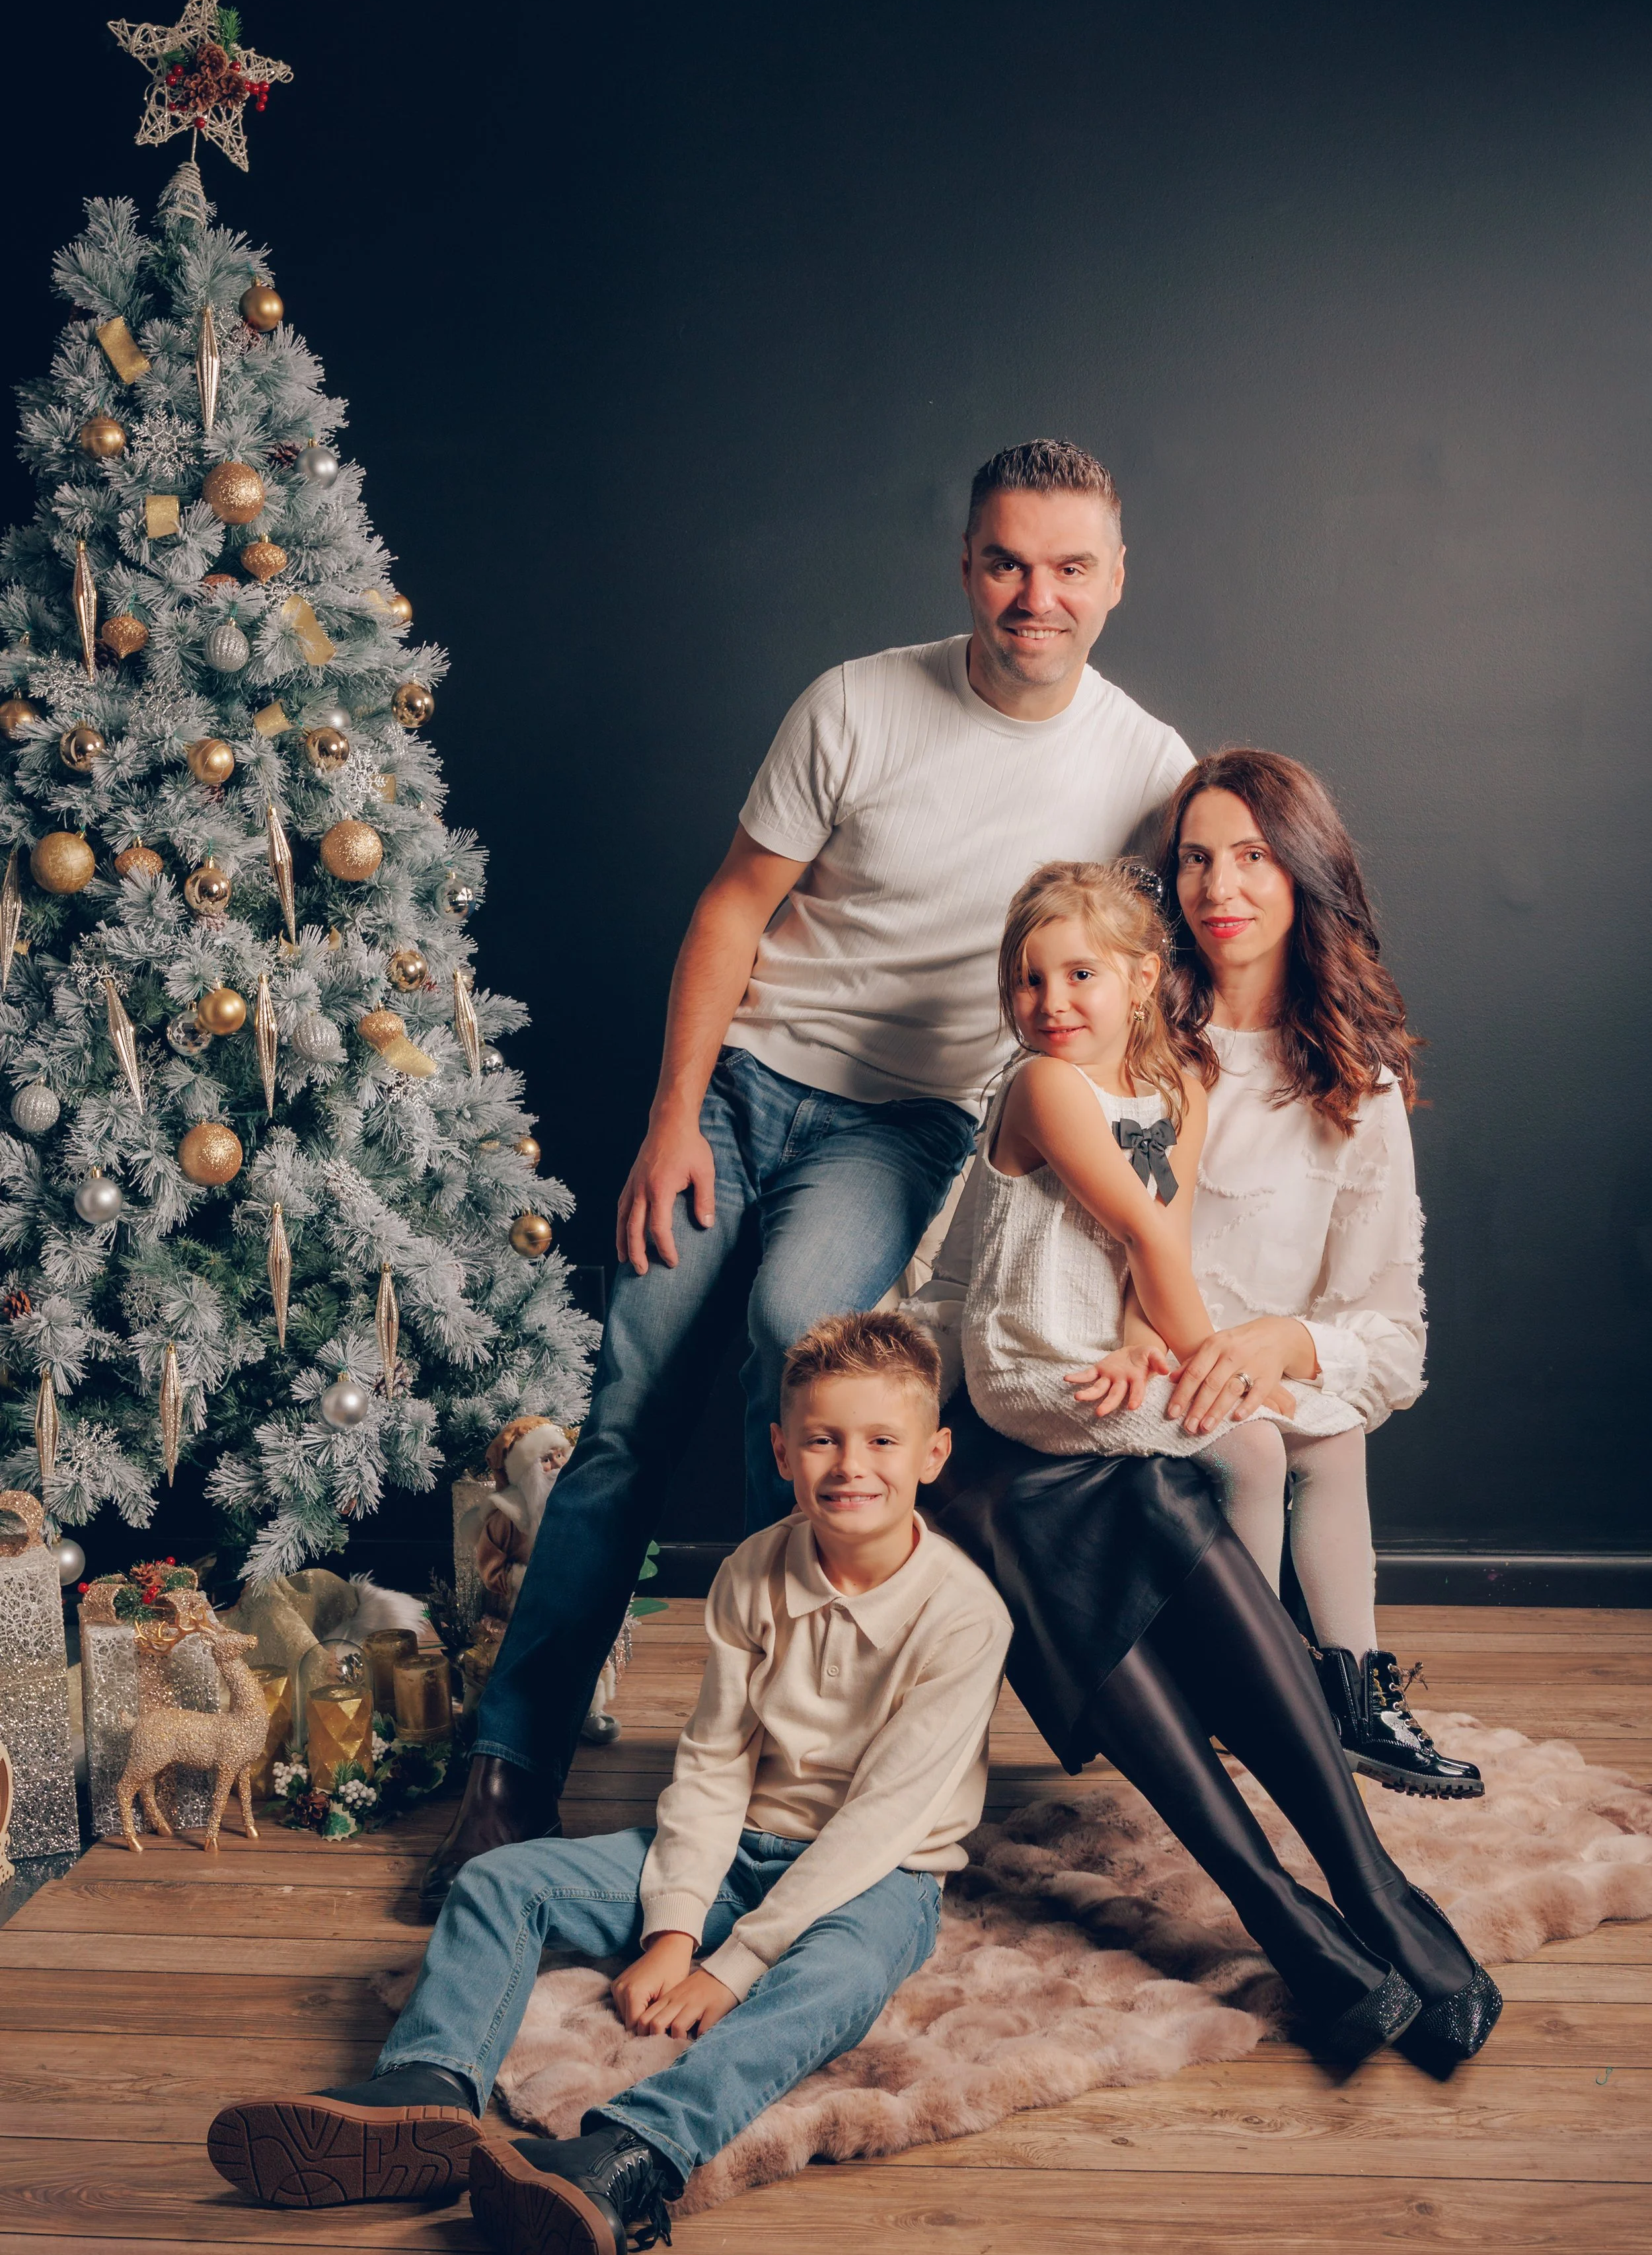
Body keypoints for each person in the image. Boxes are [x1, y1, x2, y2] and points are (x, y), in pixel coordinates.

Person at [424, 436, 1193, 1907]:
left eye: (1068, 567)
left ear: (1113, 580)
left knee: (799, 1346)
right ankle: (509, 1772)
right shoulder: (855, 701)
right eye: (1005, 561)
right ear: (965, 564)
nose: (1035, 595)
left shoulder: (1143, 768)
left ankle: (808, 1726)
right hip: (743, 1088)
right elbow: (732, 907)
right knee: (624, 1418)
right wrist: (668, 1118)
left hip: (906, 1123)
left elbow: (1162, 984)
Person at [207, 1312, 1012, 2255]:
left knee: (835, 1974)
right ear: (782, 1449)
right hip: (738, 1845)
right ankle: (427, 2090)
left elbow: (881, 1820)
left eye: (883, 1441)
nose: (852, 1465)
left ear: (932, 1454)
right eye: (823, 1439)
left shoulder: (965, 1613)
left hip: (880, 1873)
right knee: (504, 1878)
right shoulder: (753, 1571)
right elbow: (714, 1764)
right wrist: (676, 1925)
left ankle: (626, 2156)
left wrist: (733, 1963)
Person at [909, 860, 1500, 2067]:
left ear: (1143, 982)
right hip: (1000, 1390)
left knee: (1171, 1485)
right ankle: (1313, 1904)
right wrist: (1235, 1366)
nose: (1050, 998)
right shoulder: (1039, 1085)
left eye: (1079, 973)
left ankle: (1339, 1899)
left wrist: (1144, 1349)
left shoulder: (1173, 1086)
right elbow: (1131, 1235)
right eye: (1027, 977)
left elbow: (1152, 1248)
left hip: (1086, 1377)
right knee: (1190, 1466)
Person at [1085, 748, 1479, 1796]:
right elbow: (1089, 1234)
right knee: (1256, 1442)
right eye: (1197, 860)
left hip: (1255, 1366)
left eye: (1254, 856)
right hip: (1133, 1345)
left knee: (1334, 1429)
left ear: (1305, 871)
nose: (1220, 889)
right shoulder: (1137, 1039)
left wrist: (1287, 1342)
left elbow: (1393, 1335)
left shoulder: (1360, 1075)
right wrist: (1179, 1343)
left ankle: (1357, 1694)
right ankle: (1250, 1693)